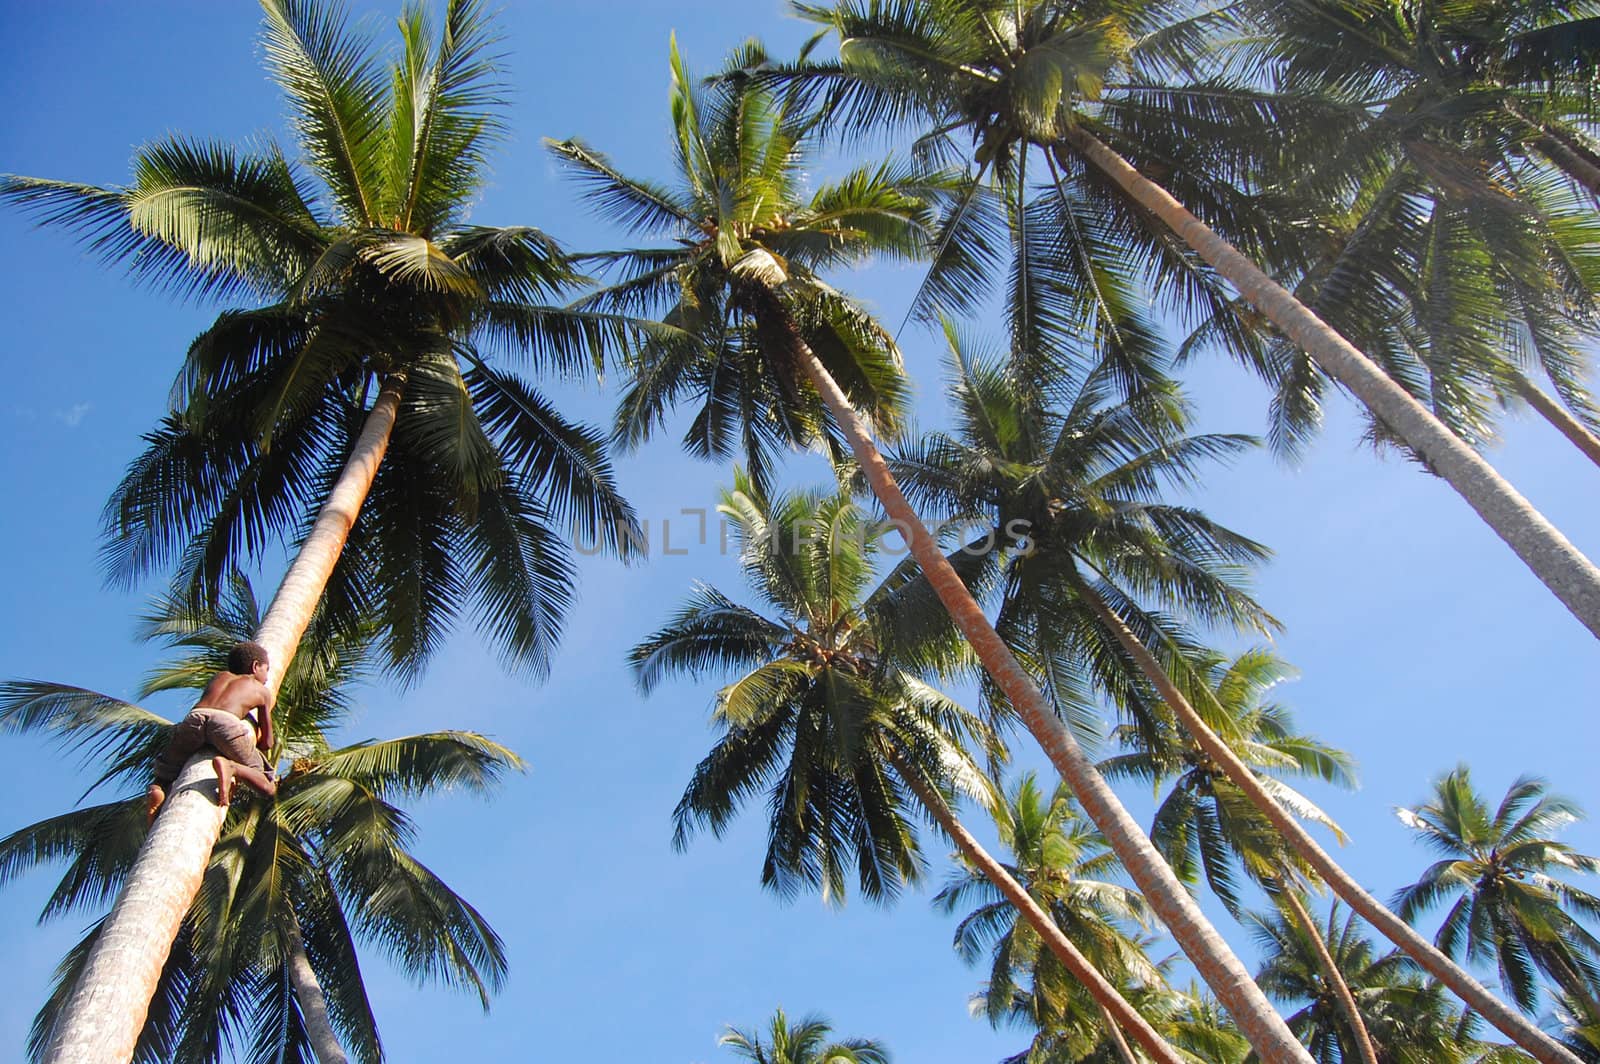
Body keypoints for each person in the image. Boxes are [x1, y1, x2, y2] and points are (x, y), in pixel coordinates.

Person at [146, 641, 278, 824]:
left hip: (195, 718)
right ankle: (232, 768)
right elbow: (267, 742)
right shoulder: (261, 691)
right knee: (267, 784)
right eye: (266, 670)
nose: (267, 677)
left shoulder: (219, 677)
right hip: (226, 722)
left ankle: (158, 790)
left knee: (165, 772)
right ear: (255, 666)